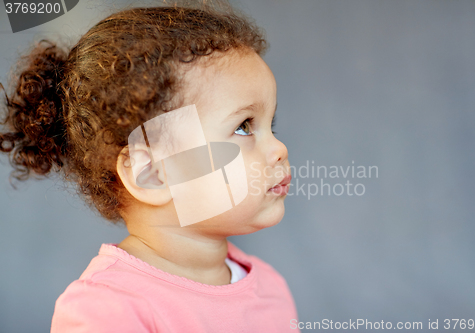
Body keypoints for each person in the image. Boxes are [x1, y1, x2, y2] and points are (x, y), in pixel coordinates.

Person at [0, 1, 298, 332]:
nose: (279, 149)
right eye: (244, 126)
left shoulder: (270, 289)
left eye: (271, 126)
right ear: (152, 172)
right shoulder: (107, 311)